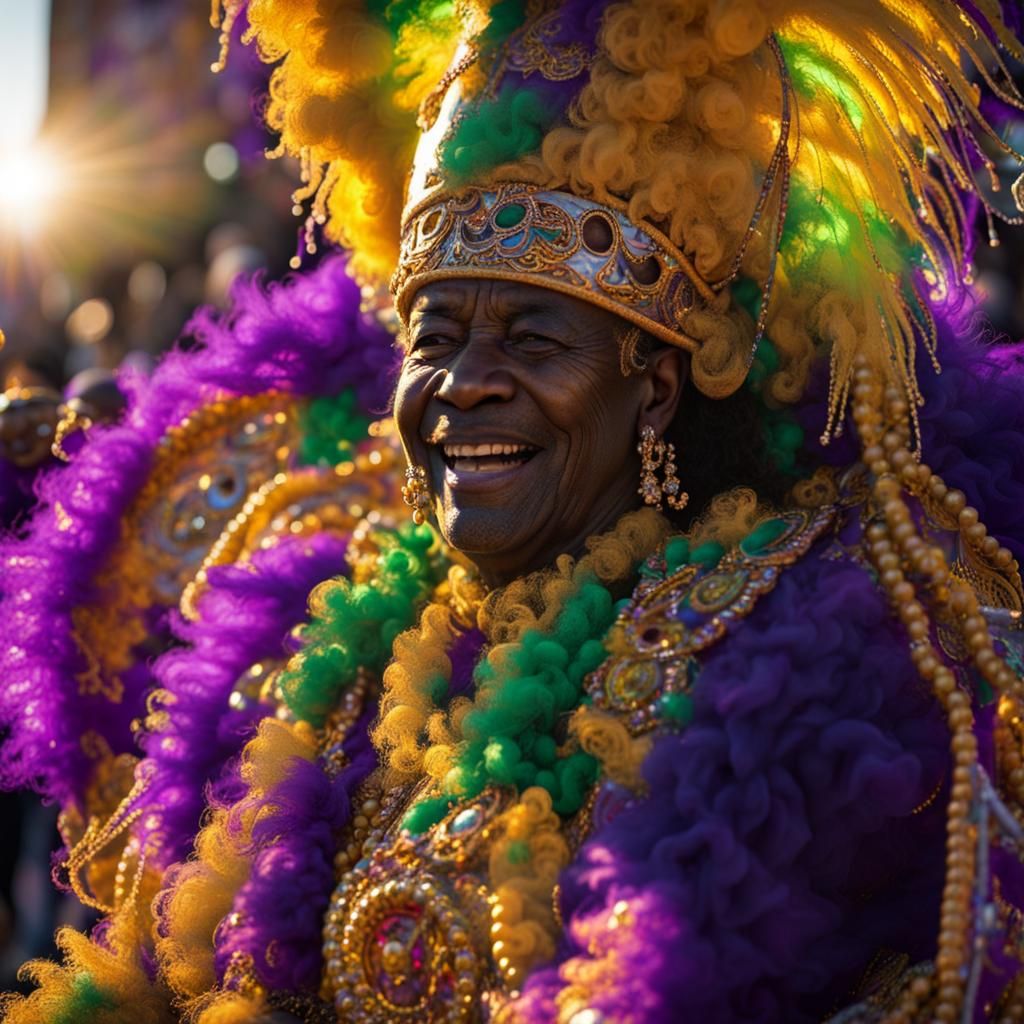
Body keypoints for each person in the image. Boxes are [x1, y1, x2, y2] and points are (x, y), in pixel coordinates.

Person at [3, 1, 1024, 1022]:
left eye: (533, 341)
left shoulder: (800, 666)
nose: (461, 384)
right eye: (434, 337)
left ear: (656, 387)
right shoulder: (334, 639)